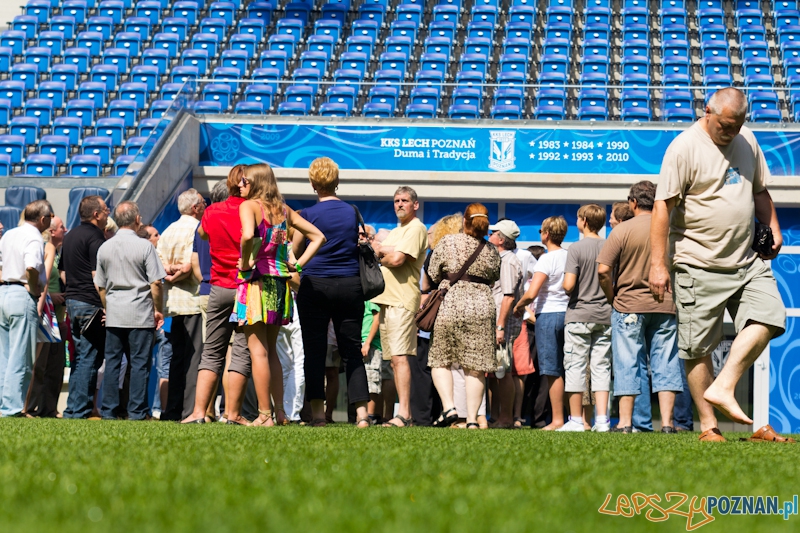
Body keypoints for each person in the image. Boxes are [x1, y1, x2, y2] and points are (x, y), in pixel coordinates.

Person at [650, 87, 788, 442]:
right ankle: (709, 427)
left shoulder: (747, 139)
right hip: (697, 262)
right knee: (697, 348)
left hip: (746, 261)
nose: (730, 132)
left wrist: (772, 227)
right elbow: (662, 206)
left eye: (737, 125)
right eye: (725, 125)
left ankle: (724, 384)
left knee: (771, 316)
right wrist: (658, 264)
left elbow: (759, 190)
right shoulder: (683, 147)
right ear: (706, 111)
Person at [237, 163, 325, 427]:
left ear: (254, 182)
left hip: (256, 282)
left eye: (243, 181)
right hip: (280, 283)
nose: (239, 185)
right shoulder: (283, 210)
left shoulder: (249, 206)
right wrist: (296, 265)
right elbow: (318, 236)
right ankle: (281, 413)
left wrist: (244, 263)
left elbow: (246, 236)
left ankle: (264, 415)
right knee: (272, 351)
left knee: (258, 351)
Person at [597, 181, 683, 433]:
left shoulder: (622, 230)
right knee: (666, 362)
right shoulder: (669, 228)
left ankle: (624, 423)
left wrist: (612, 296)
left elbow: (603, 270)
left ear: (633, 203)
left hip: (628, 306)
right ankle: (667, 423)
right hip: (666, 305)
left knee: (628, 362)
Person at [290, 158, 370, 427]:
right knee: (352, 350)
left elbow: (295, 252)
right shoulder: (352, 212)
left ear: (313, 184)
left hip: (315, 286)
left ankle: (316, 414)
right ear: (337, 181)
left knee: (314, 351)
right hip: (350, 286)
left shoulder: (307, 216)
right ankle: (361, 415)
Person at [182, 166, 255, 425]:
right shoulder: (254, 211)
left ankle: (199, 412)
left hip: (218, 287)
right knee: (241, 352)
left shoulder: (212, 211)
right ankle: (233, 414)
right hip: (245, 288)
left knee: (211, 351)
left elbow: (202, 233)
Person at [427, 204, 501, 429]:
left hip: (451, 303)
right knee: (475, 366)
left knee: (441, 359)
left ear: (465, 222)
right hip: (481, 306)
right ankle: (471, 420)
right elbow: (494, 276)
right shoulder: (491, 250)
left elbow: (432, 272)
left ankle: (449, 407)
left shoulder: (447, 242)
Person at [95, 202, 166, 420]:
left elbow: (101, 285)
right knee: (139, 365)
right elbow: (156, 283)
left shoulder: (104, 246)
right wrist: (158, 309)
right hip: (140, 312)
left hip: (115, 313)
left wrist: (109, 308)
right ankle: (137, 411)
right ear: (137, 220)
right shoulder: (145, 247)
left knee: (113, 363)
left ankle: (108, 410)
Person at [372, 186, 428, 428]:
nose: (399, 204)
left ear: (415, 204)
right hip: (387, 299)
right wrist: (384, 250)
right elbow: (378, 253)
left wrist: (382, 251)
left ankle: (404, 413)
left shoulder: (416, 228)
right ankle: (402, 412)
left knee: (400, 357)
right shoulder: (397, 232)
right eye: (396, 201)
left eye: (404, 200)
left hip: (402, 299)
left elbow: (396, 259)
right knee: (393, 360)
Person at [558, 204, 612, 432]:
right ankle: (602, 420)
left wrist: (564, 286)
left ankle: (576, 420)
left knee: (575, 365)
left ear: (584, 221)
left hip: (579, 314)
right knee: (602, 367)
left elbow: (569, 284)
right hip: (605, 314)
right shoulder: (610, 246)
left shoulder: (576, 248)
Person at [513, 216, 570, 430]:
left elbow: (532, 292)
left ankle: (556, 420)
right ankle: (575, 418)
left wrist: (518, 306)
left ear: (546, 234)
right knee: (569, 368)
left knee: (551, 370)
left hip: (548, 315)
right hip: (569, 314)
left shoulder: (546, 259)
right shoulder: (570, 255)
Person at [0, 200, 53, 417]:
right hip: (22, 294)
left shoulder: (9, 234)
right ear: (43, 219)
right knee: (21, 356)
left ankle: (4, 405)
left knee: (4, 356)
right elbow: (31, 267)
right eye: (49, 218)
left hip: (4, 292)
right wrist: (33, 288)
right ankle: (11, 408)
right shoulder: (34, 236)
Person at [157, 188, 206, 421]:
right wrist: (178, 273)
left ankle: (173, 408)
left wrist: (168, 274)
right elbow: (190, 265)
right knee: (194, 358)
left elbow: (158, 263)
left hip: (172, 304)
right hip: (193, 301)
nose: (206, 206)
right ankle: (190, 410)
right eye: (204, 203)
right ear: (195, 208)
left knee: (176, 358)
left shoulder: (167, 230)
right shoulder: (197, 229)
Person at [61, 196, 109, 419]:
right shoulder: (96, 236)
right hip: (90, 303)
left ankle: (72, 407)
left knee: (80, 357)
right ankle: (80, 410)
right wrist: (106, 304)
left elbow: (63, 272)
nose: (109, 213)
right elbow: (96, 275)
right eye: (106, 210)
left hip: (72, 301)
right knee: (90, 357)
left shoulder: (69, 236)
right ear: (96, 214)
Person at [25, 215, 67, 418]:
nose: (65, 230)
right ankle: (29, 406)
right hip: (45, 312)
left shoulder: (59, 253)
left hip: (58, 317)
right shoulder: (42, 248)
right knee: (38, 364)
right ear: (51, 231)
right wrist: (49, 297)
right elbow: (32, 280)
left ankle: (48, 407)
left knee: (55, 367)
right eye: (61, 227)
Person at [487, 219, 523, 428]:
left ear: (501, 239)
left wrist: (500, 326)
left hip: (504, 321)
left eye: (493, 233)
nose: (489, 236)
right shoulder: (505, 258)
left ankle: (506, 418)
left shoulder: (507, 261)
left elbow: (508, 296)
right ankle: (500, 416)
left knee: (503, 370)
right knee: (498, 369)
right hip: (502, 319)